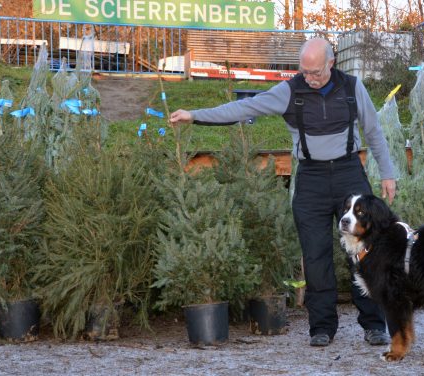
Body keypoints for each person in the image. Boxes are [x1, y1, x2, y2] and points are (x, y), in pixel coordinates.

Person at [170, 37, 397, 347]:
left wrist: (387, 173)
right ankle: (321, 327)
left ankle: (374, 324)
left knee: (364, 254)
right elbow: (244, 106)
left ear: (331, 63)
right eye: (304, 71)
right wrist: (195, 114)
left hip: (349, 175)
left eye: (315, 71)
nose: (310, 78)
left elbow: (374, 132)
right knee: (315, 256)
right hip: (311, 179)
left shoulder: (352, 87)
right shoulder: (290, 91)